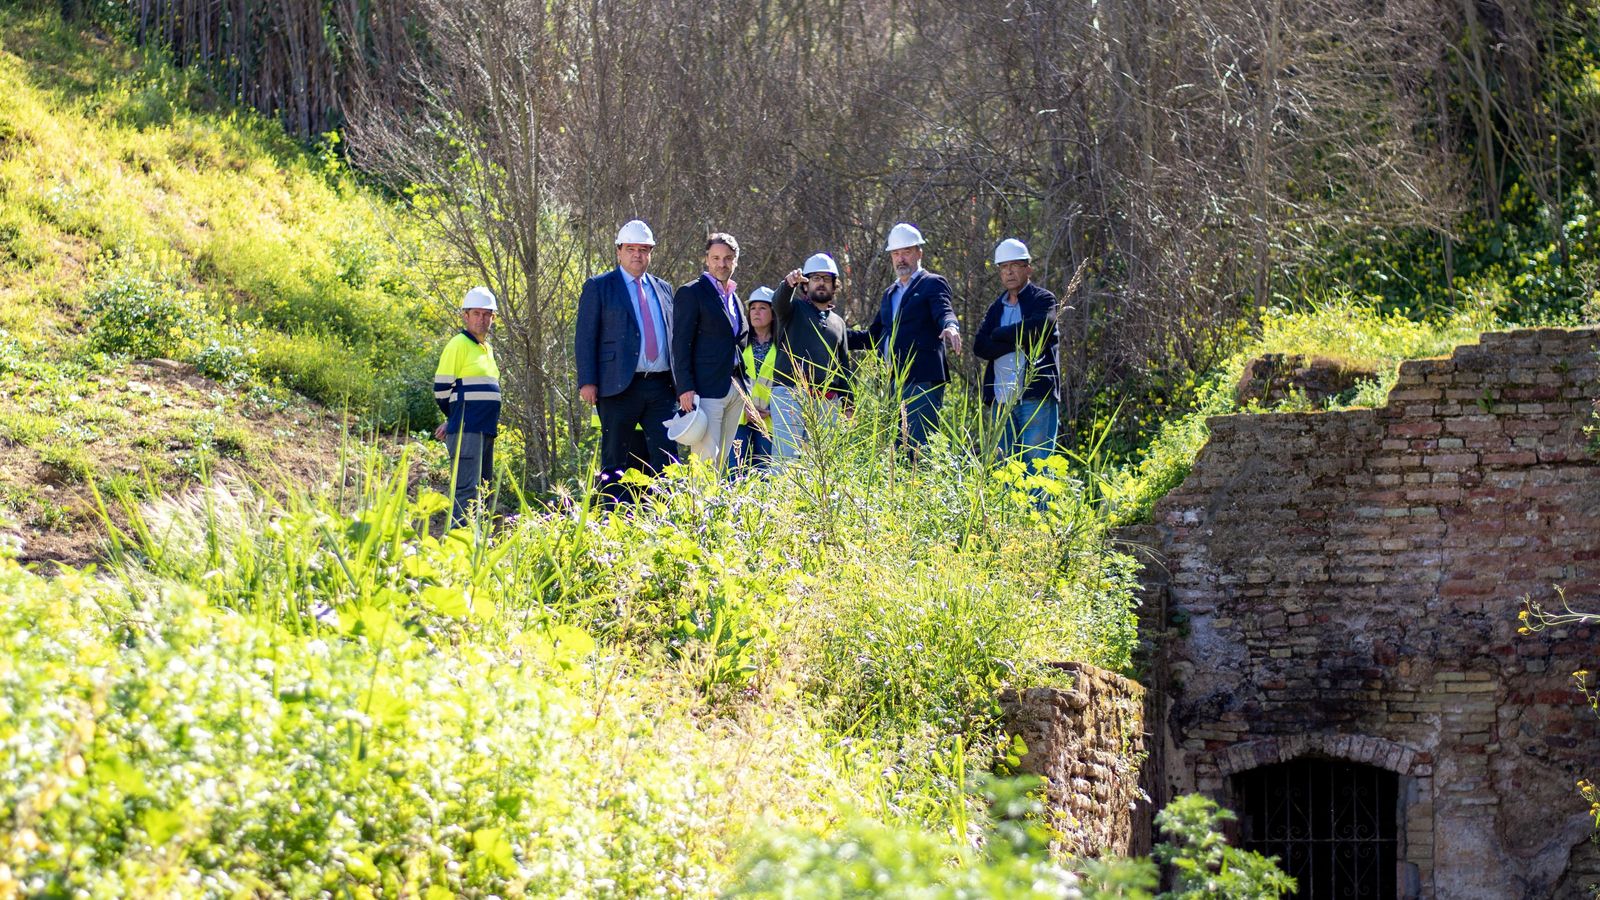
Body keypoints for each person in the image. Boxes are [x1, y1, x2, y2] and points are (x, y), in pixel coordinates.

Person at [574, 219, 679, 496]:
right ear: (619, 251)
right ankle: (612, 518)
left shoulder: (664, 288)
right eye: (631, 248)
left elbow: (673, 337)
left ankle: (663, 518)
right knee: (615, 459)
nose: (637, 255)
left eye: (644, 249)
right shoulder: (599, 287)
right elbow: (585, 337)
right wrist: (588, 381)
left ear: (650, 253)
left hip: (660, 386)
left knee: (667, 457)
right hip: (618, 386)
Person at [860, 222, 961, 450]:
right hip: (892, 382)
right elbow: (875, 335)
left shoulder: (932, 283)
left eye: (906, 252)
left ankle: (924, 486)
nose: (901, 258)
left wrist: (951, 325)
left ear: (919, 253)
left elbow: (943, 309)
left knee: (919, 447)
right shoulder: (889, 293)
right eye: (896, 253)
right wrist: (835, 336)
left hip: (921, 379)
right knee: (896, 450)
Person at [972, 239, 1061, 466]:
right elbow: (980, 346)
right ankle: (1010, 505)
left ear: (1028, 268)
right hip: (1002, 401)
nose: (1009, 272)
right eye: (1003, 267)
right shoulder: (996, 307)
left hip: (1035, 397)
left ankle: (1038, 505)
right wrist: (1019, 340)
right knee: (1005, 465)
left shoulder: (1043, 299)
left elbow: (1040, 327)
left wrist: (1000, 334)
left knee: (1037, 463)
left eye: (1015, 265)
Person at [671, 233, 747, 466]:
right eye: (716, 258)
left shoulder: (735, 299)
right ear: (706, 259)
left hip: (735, 389)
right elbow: (680, 343)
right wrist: (685, 388)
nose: (721, 264)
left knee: (722, 461)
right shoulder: (691, 292)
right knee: (705, 462)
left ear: (735, 261)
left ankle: (716, 503)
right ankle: (699, 504)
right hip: (706, 390)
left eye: (727, 258)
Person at [770, 253, 854, 460]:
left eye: (827, 279)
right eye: (816, 278)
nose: (821, 283)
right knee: (786, 461)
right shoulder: (793, 309)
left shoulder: (838, 323)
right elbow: (778, 303)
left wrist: (848, 402)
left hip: (826, 401)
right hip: (790, 393)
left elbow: (843, 366)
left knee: (822, 462)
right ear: (805, 285)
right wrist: (787, 284)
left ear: (835, 286)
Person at [433, 286, 501, 528]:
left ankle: (475, 546)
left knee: (482, 492)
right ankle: (458, 549)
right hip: (467, 430)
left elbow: (466, 393)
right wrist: (454, 419)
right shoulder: (458, 344)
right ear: (465, 316)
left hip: (485, 430)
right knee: (466, 492)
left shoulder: (487, 350)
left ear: (493, 318)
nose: (481, 320)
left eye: (487, 315)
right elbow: (441, 390)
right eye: (476, 314)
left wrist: (451, 418)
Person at [729, 285, 777, 469]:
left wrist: (772, 411)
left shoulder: (782, 346)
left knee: (764, 472)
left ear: (773, 313)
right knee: (736, 470)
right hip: (740, 416)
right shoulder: (739, 342)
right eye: (753, 308)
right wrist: (746, 409)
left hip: (769, 419)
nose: (756, 312)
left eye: (763, 308)